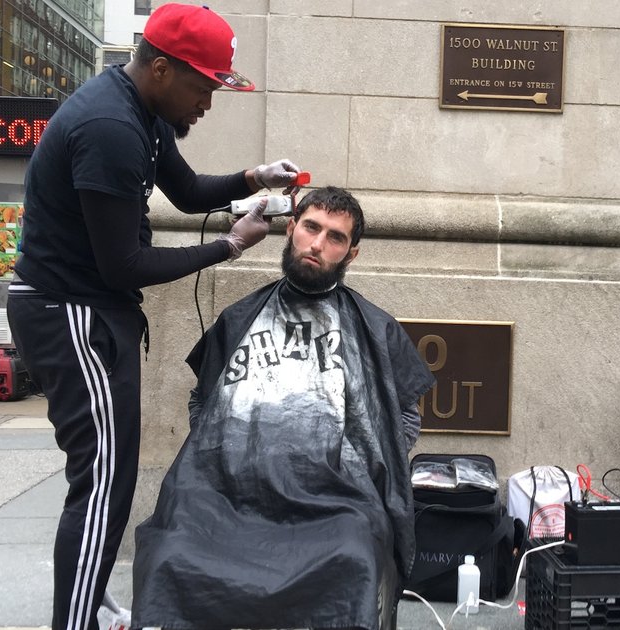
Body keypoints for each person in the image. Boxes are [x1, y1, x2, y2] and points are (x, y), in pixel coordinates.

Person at [5, 5, 303, 630]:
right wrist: (229, 246)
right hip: (73, 314)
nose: (208, 103)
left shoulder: (143, 109)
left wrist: (253, 176)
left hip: (89, 311)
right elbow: (125, 265)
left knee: (110, 477)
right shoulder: (111, 126)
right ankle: (76, 620)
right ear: (162, 68)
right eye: (203, 88)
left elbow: (190, 191)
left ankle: (85, 602)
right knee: (103, 484)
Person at [131, 186, 435, 630]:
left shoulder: (376, 329)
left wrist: (359, 465)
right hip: (224, 494)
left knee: (353, 554)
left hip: (336, 501)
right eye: (311, 227)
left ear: (351, 254)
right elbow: (203, 402)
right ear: (291, 229)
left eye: (335, 237)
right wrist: (227, 454)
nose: (317, 243)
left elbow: (405, 416)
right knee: (172, 551)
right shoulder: (239, 319)